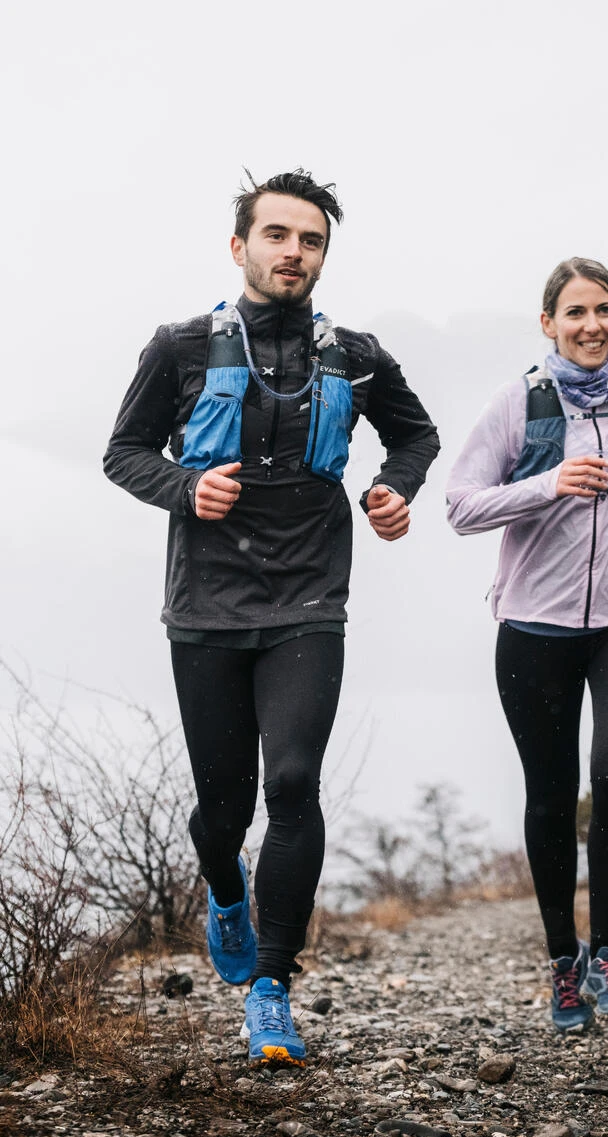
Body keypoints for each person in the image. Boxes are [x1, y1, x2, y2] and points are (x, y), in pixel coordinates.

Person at [104, 169, 439, 1066]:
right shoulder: (179, 347)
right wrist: (184, 485)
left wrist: (390, 490)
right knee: (225, 810)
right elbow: (123, 454)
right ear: (240, 245)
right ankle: (224, 888)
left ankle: (271, 991)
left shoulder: (355, 352)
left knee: (292, 786)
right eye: (279, 235)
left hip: (308, 600)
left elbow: (415, 436)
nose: (295, 252)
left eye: (313, 240)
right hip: (206, 606)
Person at [446, 258, 608, 1034]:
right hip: (535, 628)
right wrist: (548, 483)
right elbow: (461, 506)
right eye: (576, 313)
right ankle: (565, 962)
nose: (592, 325)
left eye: (605, 310)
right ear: (548, 322)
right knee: (552, 795)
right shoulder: (516, 404)